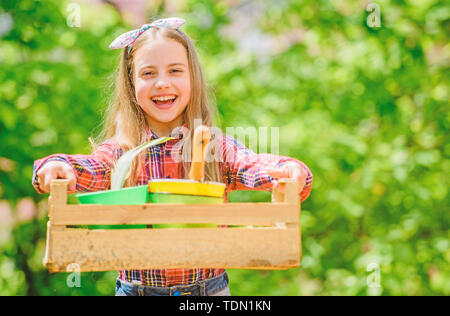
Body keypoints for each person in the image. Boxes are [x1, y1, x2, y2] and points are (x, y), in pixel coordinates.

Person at [32, 17, 313, 296]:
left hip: (208, 292)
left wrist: (287, 169)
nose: (162, 83)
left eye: (175, 70)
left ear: (193, 78)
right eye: (148, 73)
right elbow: (92, 167)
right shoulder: (123, 152)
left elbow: (251, 163)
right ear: (131, 85)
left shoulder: (212, 147)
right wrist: (57, 165)